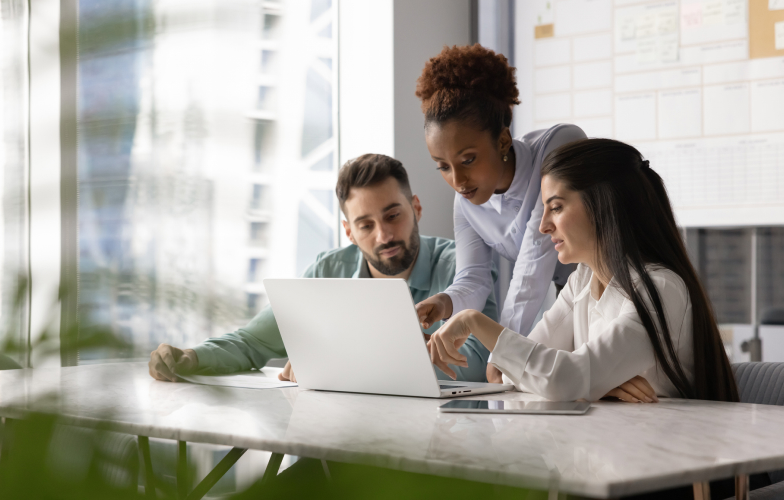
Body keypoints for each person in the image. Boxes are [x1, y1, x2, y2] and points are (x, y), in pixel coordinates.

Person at [427, 138, 739, 406]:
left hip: (668, 465)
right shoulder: (581, 282)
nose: (543, 225)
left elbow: (564, 378)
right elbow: (507, 373)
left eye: (557, 207)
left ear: (604, 206)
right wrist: (597, 387)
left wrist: (472, 320)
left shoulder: (660, 287)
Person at [148, 154, 498, 384]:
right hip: (347, 446)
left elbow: (479, 363)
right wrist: (191, 357)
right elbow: (253, 342)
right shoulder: (329, 269)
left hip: (444, 453)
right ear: (349, 231)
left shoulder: (464, 267)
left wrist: (332, 365)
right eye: (365, 225)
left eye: (393, 215)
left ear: (415, 208)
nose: (385, 234)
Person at [412, 44, 587, 384]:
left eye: (468, 160)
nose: (458, 181)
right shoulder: (467, 204)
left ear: (504, 140)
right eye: (443, 167)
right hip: (573, 299)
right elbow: (474, 278)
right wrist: (445, 303)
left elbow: (534, 261)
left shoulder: (558, 146)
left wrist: (501, 349)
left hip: (623, 289)